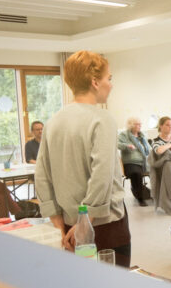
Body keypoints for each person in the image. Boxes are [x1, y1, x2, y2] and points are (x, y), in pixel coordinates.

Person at [35, 50, 131, 267]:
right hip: (105, 225)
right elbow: (103, 174)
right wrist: (86, 221)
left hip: (69, 225)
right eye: (109, 78)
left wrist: (57, 220)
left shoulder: (53, 121)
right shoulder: (102, 119)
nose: (111, 84)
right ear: (95, 82)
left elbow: (42, 174)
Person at [117, 116, 151, 206]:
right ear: (131, 125)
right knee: (136, 173)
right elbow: (117, 144)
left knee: (157, 169)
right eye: (137, 124)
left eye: (140, 124)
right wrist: (127, 146)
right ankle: (140, 198)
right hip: (130, 162)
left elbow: (148, 148)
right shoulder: (124, 135)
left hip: (143, 162)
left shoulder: (142, 136)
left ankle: (156, 194)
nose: (140, 126)